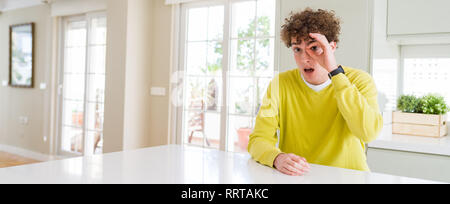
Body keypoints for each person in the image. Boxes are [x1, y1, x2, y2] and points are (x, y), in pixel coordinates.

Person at [247, 8, 383, 176]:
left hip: (349, 178)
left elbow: (368, 133)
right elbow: (258, 139)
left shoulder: (360, 81)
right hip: (299, 178)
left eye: (314, 48)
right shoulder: (280, 84)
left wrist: (335, 72)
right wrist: (277, 157)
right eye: (297, 49)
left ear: (331, 47)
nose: (305, 58)